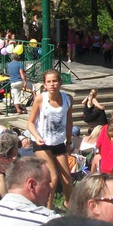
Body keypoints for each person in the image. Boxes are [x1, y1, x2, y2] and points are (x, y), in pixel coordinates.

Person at [26, 69, 74, 207]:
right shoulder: (41, 99)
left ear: (60, 82)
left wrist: (69, 141)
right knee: (52, 178)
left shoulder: (67, 99)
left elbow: (69, 121)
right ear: (44, 85)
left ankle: (68, 204)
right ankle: (47, 209)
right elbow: (30, 122)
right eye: (49, 82)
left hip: (58, 141)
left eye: (55, 81)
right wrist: (36, 136)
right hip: (42, 142)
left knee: (67, 179)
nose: (52, 84)